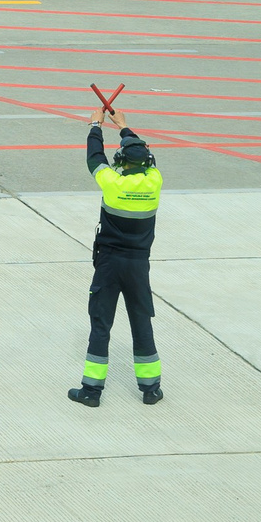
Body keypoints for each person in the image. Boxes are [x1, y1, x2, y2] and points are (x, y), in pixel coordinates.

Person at [69, 104, 163, 407]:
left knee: (101, 325)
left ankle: (91, 391)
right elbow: (144, 154)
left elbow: (94, 158)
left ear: (121, 161)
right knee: (141, 323)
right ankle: (150, 389)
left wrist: (95, 126)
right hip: (138, 265)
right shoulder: (155, 181)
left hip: (109, 264)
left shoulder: (113, 183)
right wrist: (123, 126)